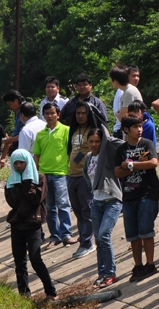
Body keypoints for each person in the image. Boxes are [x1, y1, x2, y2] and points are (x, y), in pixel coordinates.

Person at [5, 149, 58, 300]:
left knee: (35, 258)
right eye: (16, 163)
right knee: (19, 262)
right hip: (17, 226)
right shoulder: (11, 181)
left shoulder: (39, 178)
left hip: (33, 225)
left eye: (22, 162)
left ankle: (51, 292)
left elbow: (37, 199)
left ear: (28, 162)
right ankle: (24, 295)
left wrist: (27, 183)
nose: (19, 166)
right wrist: (18, 184)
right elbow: (12, 202)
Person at [115, 115, 159, 282]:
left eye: (140, 126)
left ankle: (150, 264)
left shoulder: (146, 144)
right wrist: (133, 166)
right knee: (132, 234)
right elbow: (117, 172)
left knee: (146, 230)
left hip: (148, 192)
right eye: (135, 127)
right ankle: (138, 265)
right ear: (126, 129)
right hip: (128, 195)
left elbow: (154, 163)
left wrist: (131, 165)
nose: (139, 129)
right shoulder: (121, 150)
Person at [84, 128, 124, 288]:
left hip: (112, 201)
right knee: (98, 239)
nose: (94, 144)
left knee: (104, 236)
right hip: (97, 202)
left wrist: (107, 136)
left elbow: (121, 144)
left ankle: (111, 273)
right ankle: (102, 273)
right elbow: (87, 176)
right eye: (91, 141)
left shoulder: (107, 154)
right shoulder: (88, 157)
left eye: (97, 141)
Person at [34, 102, 75, 249]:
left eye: (52, 113)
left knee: (63, 204)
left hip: (61, 173)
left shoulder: (66, 130)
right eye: (47, 114)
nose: (50, 116)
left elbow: (71, 151)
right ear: (43, 116)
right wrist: (36, 173)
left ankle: (66, 234)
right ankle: (55, 236)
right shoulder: (40, 134)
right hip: (44, 174)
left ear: (58, 114)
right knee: (50, 207)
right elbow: (37, 155)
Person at [66, 102, 103, 258]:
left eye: (83, 113)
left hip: (85, 176)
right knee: (78, 211)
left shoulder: (94, 132)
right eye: (78, 113)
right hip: (71, 175)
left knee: (86, 210)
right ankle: (84, 238)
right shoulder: (74, 131)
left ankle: (87, 243)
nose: (80, 116)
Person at [110, 65, 142, 132]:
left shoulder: (129, 92)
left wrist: (117, 114)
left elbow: (123, 118)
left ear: (115, 80)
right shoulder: (126, 91)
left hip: (133, 131)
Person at [1, 90, 26, 164]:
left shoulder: (25, 110)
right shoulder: (19, 111)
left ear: (16, 100)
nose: (10, 107)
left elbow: (26, 133)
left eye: (10, 104)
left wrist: (11, 140)